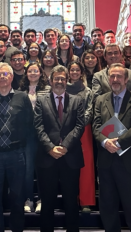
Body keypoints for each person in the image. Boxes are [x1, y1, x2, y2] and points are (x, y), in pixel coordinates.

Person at [92, 63, 131, 232]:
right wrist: (104, 142)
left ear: (126, 79)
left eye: (118, 76)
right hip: (107, 161)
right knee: (108, 207)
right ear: (108, 79)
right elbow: (96, 126)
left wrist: (119, 142)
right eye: (112, 76)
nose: (115, 79)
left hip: (130, 161)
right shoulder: (101, 100)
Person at [0, 63, 35, 232]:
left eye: (6, 74)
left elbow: (29, 123)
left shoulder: (22, 97)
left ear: (12, 77)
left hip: (16, 154)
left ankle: (17, 229)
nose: (2, 77)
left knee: (18, 197)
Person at [33, 65, 85, 232]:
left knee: (71, 201)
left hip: (70, 157)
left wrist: (64, 147)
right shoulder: (41, 100)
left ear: (67, 80)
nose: (60, 82)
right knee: (47, 201)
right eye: (57, 79)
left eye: (63, 78)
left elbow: (79, 126)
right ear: (51, 80)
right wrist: (50, 148)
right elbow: (38, 127)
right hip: (47, 158)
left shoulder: (77, 100)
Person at [19, 63, 51, 214]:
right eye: (29, 71)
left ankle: (42, 199)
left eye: (35, 71)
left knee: (43, 168)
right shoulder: (20, 91)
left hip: (44, 132)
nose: (32, 73)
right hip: (27, 134)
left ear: (40, 73)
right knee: (28, 169)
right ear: (26, 73)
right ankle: (28, 199)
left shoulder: (48, 90)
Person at [65, 61, 95, 213]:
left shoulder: (88, 91)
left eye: (77, 70)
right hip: (66, 130)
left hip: (84, 130)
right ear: (68, 72)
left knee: (86, 167)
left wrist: (79, 124)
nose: (75, 72)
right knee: (67, 166)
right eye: (72, 70)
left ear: (81, 72)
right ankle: (70, 200)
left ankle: (85, 201)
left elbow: (89, 110)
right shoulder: (63, 88)